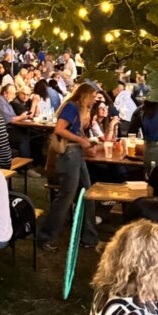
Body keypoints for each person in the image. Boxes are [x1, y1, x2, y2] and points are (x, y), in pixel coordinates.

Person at [38, 82, 100, 253]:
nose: (95, 100)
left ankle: (89, 237)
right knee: (66, 196)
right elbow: (60, 129)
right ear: (86, 95)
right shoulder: (71, 107)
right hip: (69, 154)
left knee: (88, 193)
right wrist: (82, 141)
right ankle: (45, 236)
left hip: (76, 153)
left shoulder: (79, 109)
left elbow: (75, 130)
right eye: (93, 97)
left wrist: (86, 141)